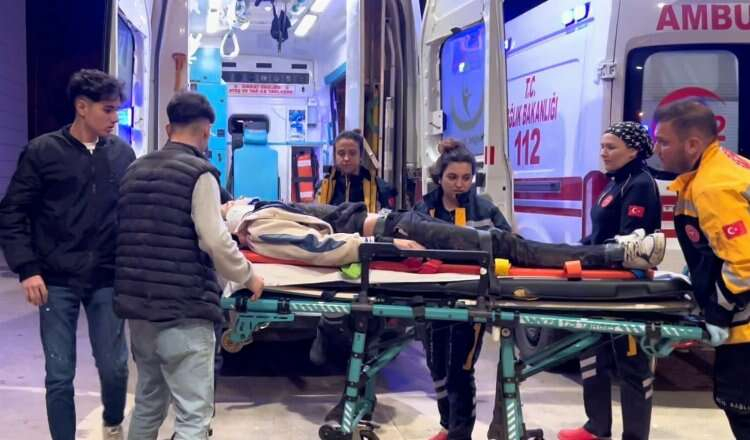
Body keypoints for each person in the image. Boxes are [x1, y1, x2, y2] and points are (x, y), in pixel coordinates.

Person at [114, 91, 264, 440]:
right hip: (183, 309)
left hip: (139, 310)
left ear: (169, 128)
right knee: (194, 415)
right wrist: (248, 276)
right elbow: (215, 240)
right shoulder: (200, 173)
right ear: (206, 132)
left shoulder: (134, 170)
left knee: (149, 402)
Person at [0, 69, 133, 440]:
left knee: (115, 367)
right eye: (108, 109)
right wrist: (27, 269)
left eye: (117, 110)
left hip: (106, 277)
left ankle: (112, 423)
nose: (115, 118)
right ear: (82, 107)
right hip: (55, 280)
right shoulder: (43, 152)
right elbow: (12, 212)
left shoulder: (122, 155)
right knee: (59, 374)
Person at [651, 99, 750, 439]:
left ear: (692, 144)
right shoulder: (726, 167)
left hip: (746, 332)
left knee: (743, 412)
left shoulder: (713, 187)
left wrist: (718, 313)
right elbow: (717, 250)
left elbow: (744, 264)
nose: (656, 150)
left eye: (663, 141)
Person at [559, 122, 661, 440]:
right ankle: (596, 426)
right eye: (602, 146)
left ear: (633, 150)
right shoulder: (615, 182)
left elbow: (629, 242)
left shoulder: (640, 184)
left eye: (611, 147)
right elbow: (600, 235)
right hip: (600, 282)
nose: (603, 152)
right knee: (592, 352)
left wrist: (588, 255)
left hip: (625, 288)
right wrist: (574, 250)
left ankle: (635, 435)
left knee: (631, 363)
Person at [415, 139, 511, 440]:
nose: (460, 184)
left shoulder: (485, 209)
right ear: (439, 177)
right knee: (436, 366)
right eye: (452, 177)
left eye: (466, 178)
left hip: (472, 301)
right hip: (432, 298)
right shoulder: (425, 208)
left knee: (460, 368)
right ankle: (447, 425)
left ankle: (460, 434)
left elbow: (508, 243)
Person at [317, 129, 397, 212]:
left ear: (361, 156)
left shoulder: (381, 189)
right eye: (341, 153)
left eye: (352, 153)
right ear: (334, 156)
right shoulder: (322, 188)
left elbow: (387, 217)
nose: (346, 158)